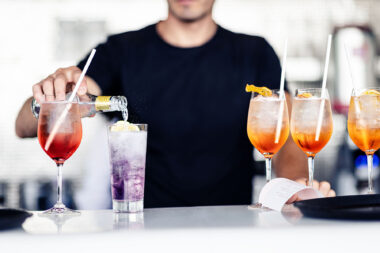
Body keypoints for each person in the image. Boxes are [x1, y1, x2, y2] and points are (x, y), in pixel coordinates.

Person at [15, 0, 335, 208]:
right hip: (144, 232)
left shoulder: (255, 53)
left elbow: (287, 141)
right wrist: (50, 98)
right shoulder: (121, 50)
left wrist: (293, 187)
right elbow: (23, 126)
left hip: (232, 230)